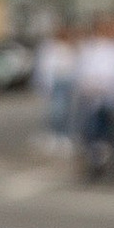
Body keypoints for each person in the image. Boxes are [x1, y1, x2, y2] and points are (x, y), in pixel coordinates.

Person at [71, 16, 114, 180]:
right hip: (92, 97)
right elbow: (81, 70)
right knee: (91, 133)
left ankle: (113, 169)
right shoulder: (91, 47)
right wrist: (87, 85)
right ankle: (94, 165)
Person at [31, 25, 77, 156]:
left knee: (65, 110)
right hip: (56, 81)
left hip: (67, 81)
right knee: (56, 110)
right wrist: (43, 84)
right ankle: (54, 134)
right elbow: (44, 66)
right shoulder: (50, 47)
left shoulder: (71, 47)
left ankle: (64, 135)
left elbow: (75, 65)